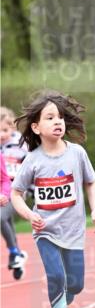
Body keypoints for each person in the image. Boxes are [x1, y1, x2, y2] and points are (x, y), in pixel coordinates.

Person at [10, 92, 95, 308]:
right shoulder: (33, 159)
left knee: (76, 284)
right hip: (45, 230)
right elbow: (16, 194)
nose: (58, 121)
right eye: (50, 117)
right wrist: (30, 214)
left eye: (60, 117)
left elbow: (91, 183)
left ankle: (60, 299)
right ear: (36, 127)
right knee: (56, 276)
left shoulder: (77, 153)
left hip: (73, 230)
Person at [0, 106, 28, 278]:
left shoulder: (22, 145)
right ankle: (17, 256)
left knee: (1, 217)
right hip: (1, 191)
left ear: (12, 128)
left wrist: (32, 188)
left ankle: (14, 252)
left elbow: (33, 167)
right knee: (6, 220)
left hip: (17, 191)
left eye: (5, 130)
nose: (1, 135)